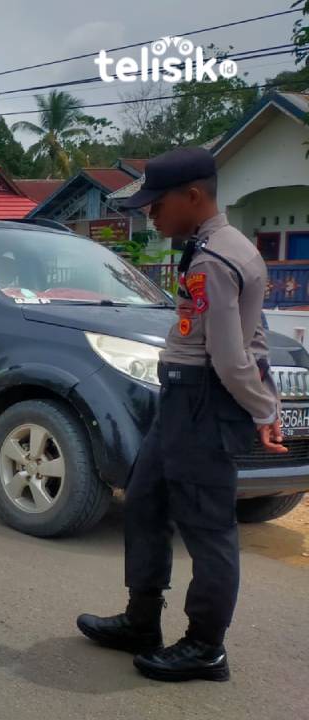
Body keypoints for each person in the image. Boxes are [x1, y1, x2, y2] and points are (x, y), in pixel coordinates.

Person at [76, 147, 285, 683]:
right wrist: (265, 399)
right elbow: (250, 334)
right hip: (183, 400)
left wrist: (264, 407)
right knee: (145, 502)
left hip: (204, 401)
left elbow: (232, 355)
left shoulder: (216, 258)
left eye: (156, 204)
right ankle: (141, 620)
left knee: (208, 527)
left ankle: (205, 646)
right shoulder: (212, 247)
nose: (150, 214)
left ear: (193, 197)